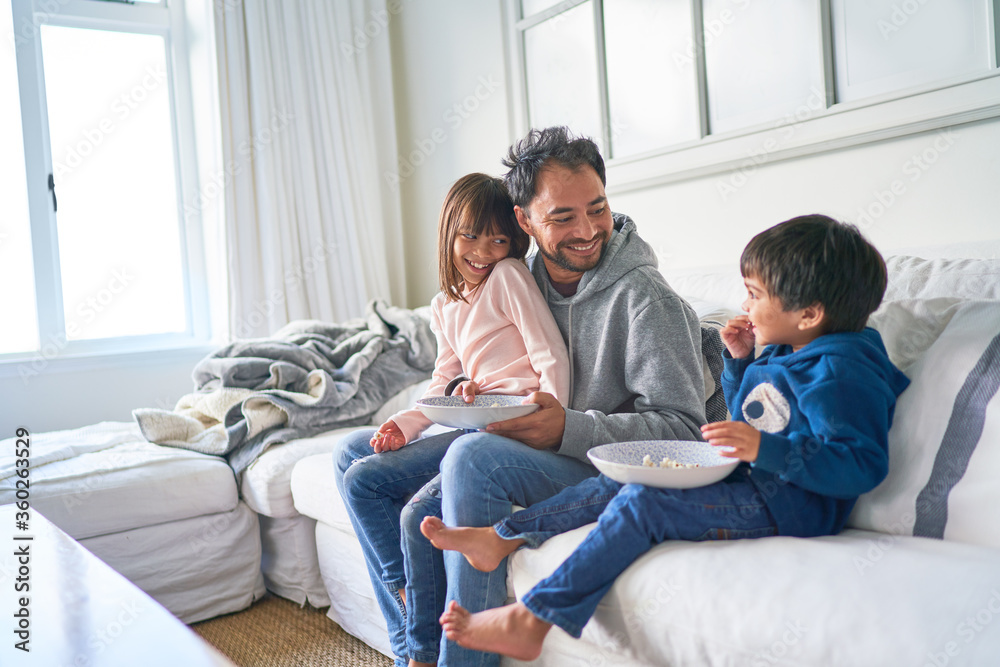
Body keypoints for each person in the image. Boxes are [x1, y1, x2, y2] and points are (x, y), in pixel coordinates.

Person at [425, 214, 911, 662]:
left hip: (791, 506)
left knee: (644, 504)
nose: (746, 305)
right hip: (751, 481)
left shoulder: (841, 372)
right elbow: (759, 413)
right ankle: (502, 536)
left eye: (755, 294)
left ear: (809, 313)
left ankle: (533, 620)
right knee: (629, 475)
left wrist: (765, 449)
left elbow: (860, 464)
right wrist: (740, 364)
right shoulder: (792, 347)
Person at [335, 126, 709, 667]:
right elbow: (483, 362)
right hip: (522, 434)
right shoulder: (514, 275)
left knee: (471, 456)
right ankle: (412, 652)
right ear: (524, 221)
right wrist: (460, 392)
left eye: (597, 209)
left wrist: (568, 427)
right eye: (562, 217)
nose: (587, 231)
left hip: (597, 462)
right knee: (353, 453)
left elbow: (686, 432)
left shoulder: (646, 299)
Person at [333, 172, 570, 667]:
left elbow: (549, 353)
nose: (483, 251)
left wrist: (553, 420)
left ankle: (412, 633)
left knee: (370, 486)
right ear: (448, 234)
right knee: (352, 454)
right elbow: (443, 380)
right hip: (473, 421)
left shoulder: (508, 277)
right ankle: (411, 622)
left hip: (514, 426)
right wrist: (407, 423)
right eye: (470, 236)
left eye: (498, 239)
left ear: (513, 243)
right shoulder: (444, 305)